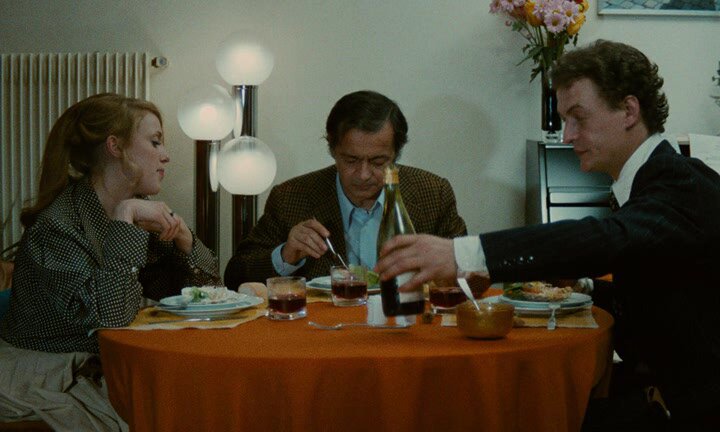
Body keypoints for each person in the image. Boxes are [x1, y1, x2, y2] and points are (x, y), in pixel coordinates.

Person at [375, 40, 720, 431]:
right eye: (565, 120)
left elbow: (607, 237)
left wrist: (463, 254)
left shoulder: (677, 181)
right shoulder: (654, 179)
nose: (568, 135)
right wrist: (582, 285)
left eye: (578, 118)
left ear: (628, 110)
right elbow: (661, 293)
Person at [0, 93, 221, 431]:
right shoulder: (57, 227)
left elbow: (208, 294)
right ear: (115, 146)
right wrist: (125, 216)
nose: (166, 155)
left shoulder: (139, 210)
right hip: (50, 370)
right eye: (155, 142)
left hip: (111, 359)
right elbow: (113, 316)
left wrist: (185, 239)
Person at [224, 90, 467, 288]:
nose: (363, 174)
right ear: (332, 150)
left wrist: (445, 266)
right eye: (351, 160)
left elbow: (471, 275)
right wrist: (286, 255)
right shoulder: (292, 197)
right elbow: (235, 276)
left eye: (378, 162)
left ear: (396, 154)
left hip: (407, 322)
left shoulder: (432, 193)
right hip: (321, 328)